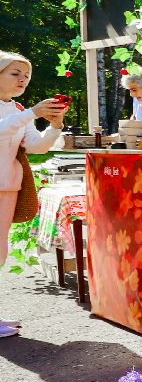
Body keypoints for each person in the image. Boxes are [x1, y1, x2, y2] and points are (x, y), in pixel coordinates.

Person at [0, 51, 67, 338]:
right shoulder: (21, 112)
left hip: (8, 184)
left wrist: (55, 126)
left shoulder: (17, 109)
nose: (22, 79)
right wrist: (32, 113)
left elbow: (36, 146)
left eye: (25, 75)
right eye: (15, 73)